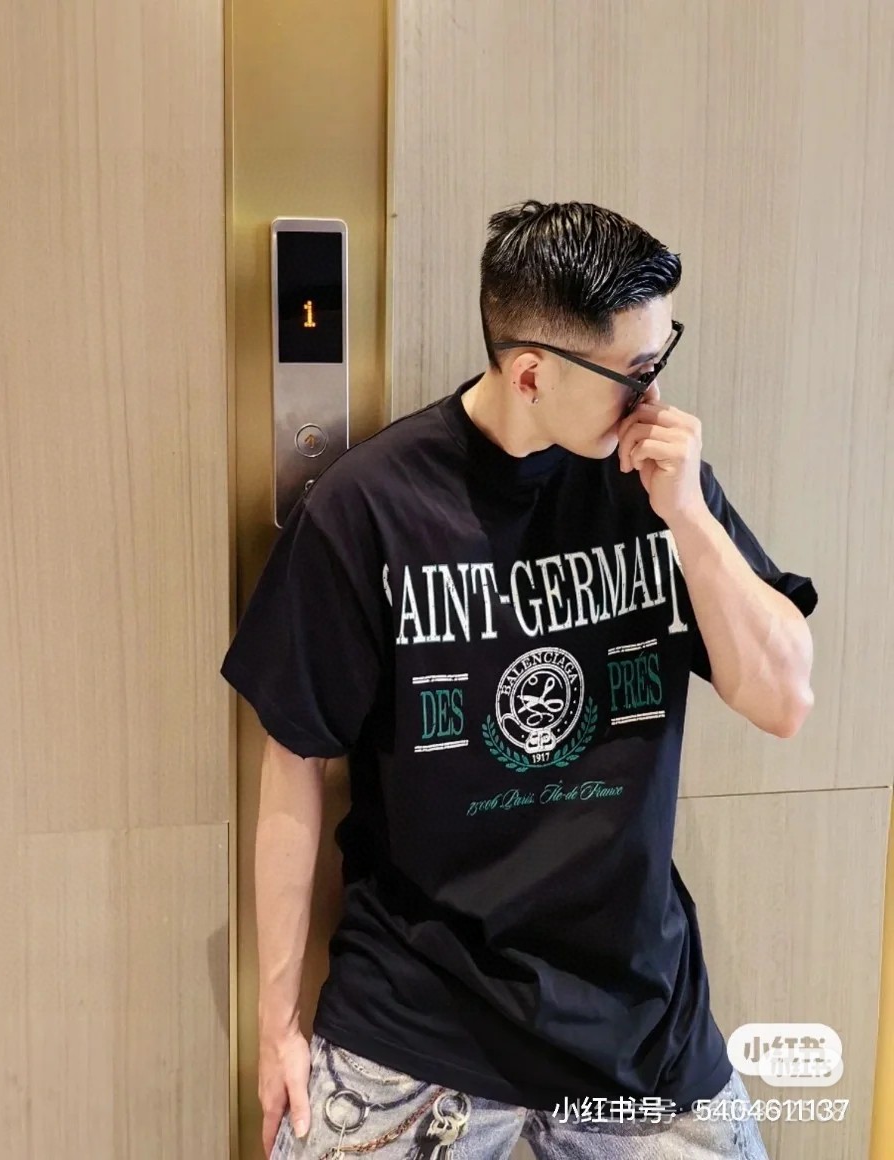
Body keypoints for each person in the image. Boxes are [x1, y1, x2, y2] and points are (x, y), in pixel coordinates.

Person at [221, 200, 817, 1159]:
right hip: (417, 1029)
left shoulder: (659, 480)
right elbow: (293, 759)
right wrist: (277, 1027)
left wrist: (691, 522)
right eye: (635, 373)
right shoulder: (369, 509)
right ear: (532, 373)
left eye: (662, 358)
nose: (656, 397)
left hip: (640, 1033)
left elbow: (785, 701)